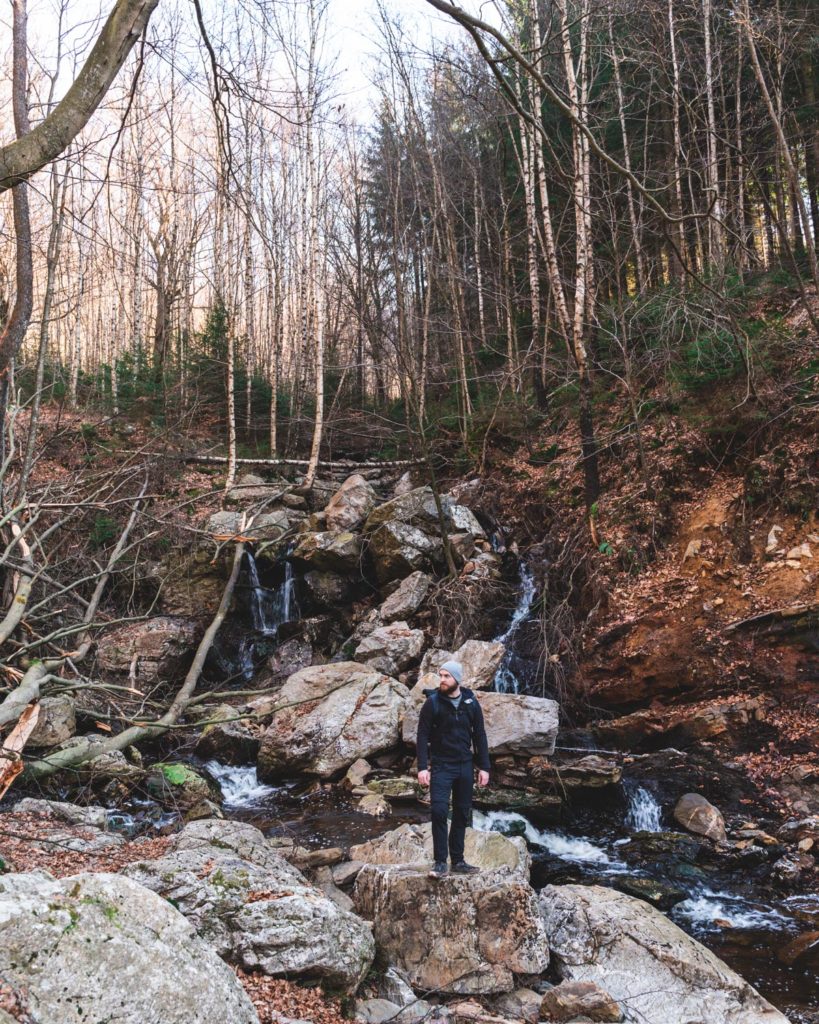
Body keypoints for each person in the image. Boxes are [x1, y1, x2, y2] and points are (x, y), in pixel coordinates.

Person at [416, 660, 490, 878]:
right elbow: (422, 736)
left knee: (461, 814)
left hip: (465, 766)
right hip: (441, 766)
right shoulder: (433, 703)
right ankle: (440, 862)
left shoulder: (471, 702)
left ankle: (458, 861)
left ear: (457, 678)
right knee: (439, 811)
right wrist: (422, 767)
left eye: (446, 676)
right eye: (441, 675)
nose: (442, 680)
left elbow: (480, 735)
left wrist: (484, 767)